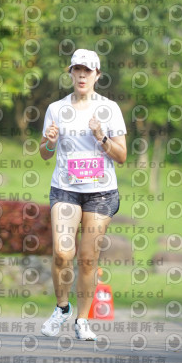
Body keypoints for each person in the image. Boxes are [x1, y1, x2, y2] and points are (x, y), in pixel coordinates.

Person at [39, 49, 127, 341]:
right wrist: (49, 142)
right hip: (65, 189)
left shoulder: (109, 109)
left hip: (101, 193)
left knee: (88, 259)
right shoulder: (56, 109)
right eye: (77, 69)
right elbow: (44, 153)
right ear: (70, 73)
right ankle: (62, 307)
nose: (82, 75)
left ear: (97, 75)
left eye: (88, 71)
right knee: (63, 253)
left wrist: (101, 137)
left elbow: (122, 155)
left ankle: (82, 320)